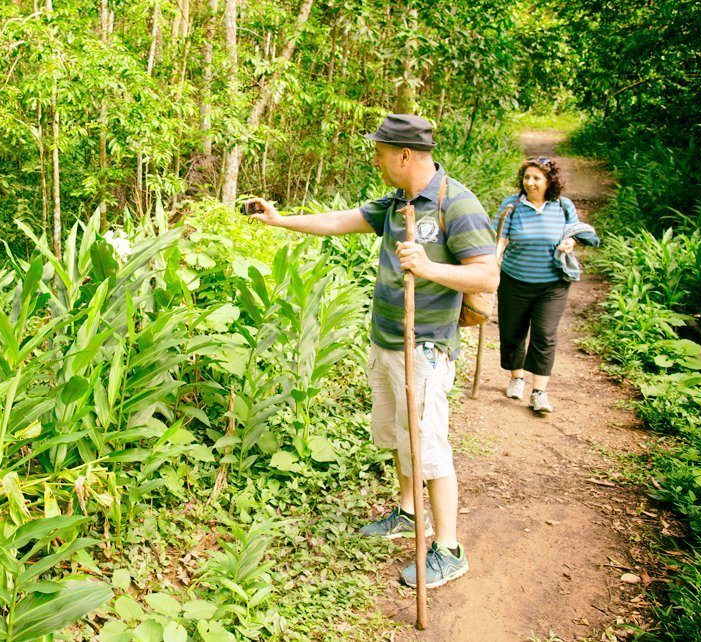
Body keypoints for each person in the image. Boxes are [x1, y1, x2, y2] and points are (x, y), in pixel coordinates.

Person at [246, 114, 499, 589]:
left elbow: (487, 276)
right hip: (387, 339)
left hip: (423, 345)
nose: (376, 160)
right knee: (401, 434)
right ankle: (408, 511)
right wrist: (280, 220)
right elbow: (342, 221)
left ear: (405, 155)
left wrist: (428, 267)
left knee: (429, 446)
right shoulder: (397, 201)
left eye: (381, 152)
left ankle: (449, 548)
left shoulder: (457, 203)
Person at [495, 157, 596, 415]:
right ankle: (516, 378)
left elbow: (575, 233)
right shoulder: (512, 206)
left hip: (553, 284)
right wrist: (491, 265)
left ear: (550, 181)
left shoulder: (563, 206)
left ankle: (539, 391)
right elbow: (500, 240)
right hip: (514, 280)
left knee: (545, 334)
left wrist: (570, 243)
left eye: (536, 178)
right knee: (512, 332)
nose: (530, 183)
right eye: (527, 177)